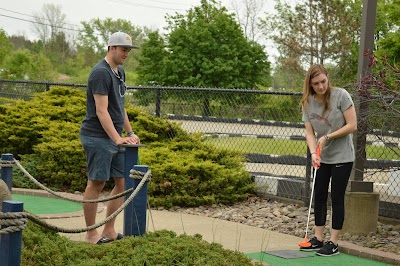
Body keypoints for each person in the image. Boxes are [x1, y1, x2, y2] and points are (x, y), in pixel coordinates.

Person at [80, 31, 140, 244]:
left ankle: (109, 230)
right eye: (123, 50)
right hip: (97, 137)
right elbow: (101, 111)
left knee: (121, 183)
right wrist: (117, 139)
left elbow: (119, 107)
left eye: (129, 51)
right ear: (111, 48)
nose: (126, 54)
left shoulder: (119, 72)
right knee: (96, 183)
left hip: (114, 136)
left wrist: (130, 133)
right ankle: (91, 234)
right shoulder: (100, 73)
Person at [299, 64, 357, 256]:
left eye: (323, 81)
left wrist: (327, 138)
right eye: (316, 84)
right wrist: (314, 152)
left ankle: (333, 242)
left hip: (342, 156)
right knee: (320, 195)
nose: (321, 86)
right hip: (322, 156)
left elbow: (352, 125)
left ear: (328, 78)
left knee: (337, 197)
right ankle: (318, 238)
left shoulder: (341, 95)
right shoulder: (307, 103)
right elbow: (309, 133)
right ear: (310, 84)